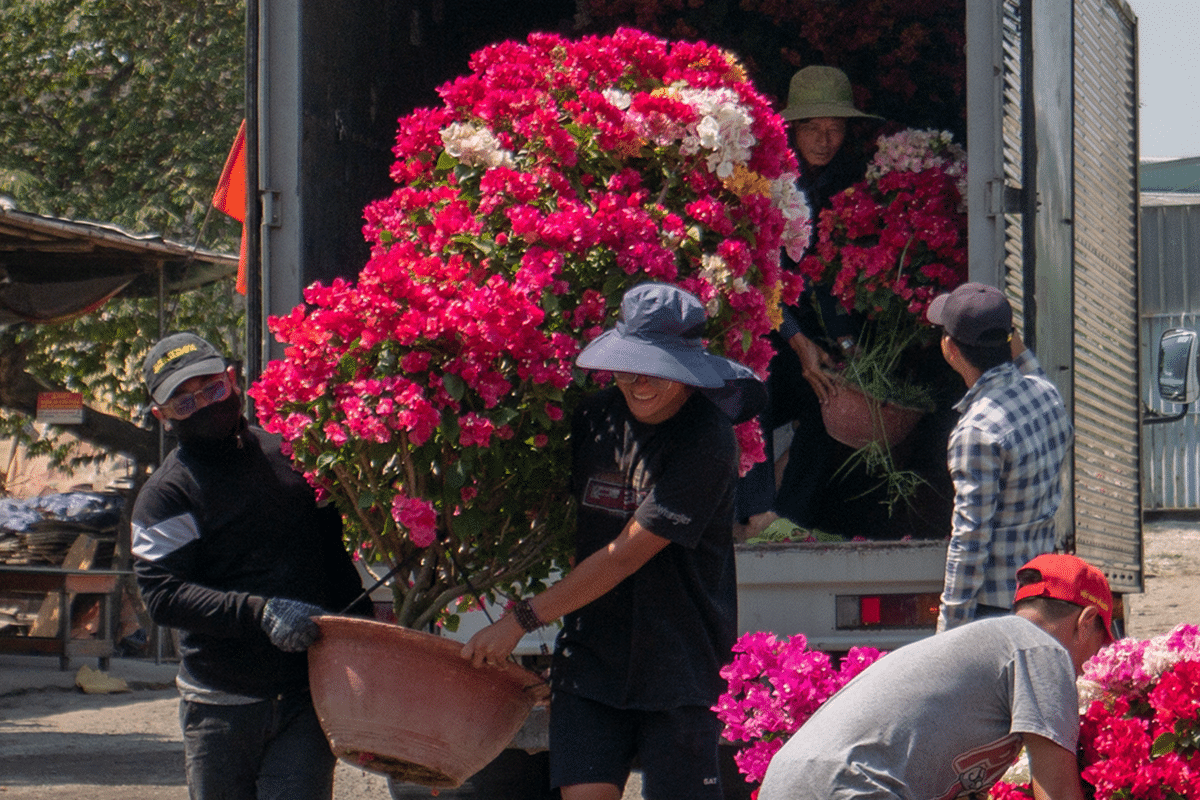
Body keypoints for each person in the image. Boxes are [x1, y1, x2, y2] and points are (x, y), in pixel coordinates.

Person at [461, 282, 766, 800]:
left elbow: (624, 555)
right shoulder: (593, 417)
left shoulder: (708, 439)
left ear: (686, 370)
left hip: (679, 666)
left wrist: (519, 621)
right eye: (627, 367)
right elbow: (570, 520)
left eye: (655, 369)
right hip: (591, 661)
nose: (638, 382)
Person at [130, 332, 371, 800]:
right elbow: (164, 596)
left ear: (233, 380)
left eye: (212, 389)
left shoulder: (294, 460)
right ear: (161, 416)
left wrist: (363, 640)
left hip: (305, 699)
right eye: (184, 402)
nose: (204, 405)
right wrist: (262, 613)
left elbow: (335, 562)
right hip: (220, 708)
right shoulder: (166, 496)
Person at [758, 552, 1115, 800]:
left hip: (788, 780)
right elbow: (1058, 792)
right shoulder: (1041, 650)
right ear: (1086, 622)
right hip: (853, 784)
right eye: (1099, 646)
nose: (1090, 667)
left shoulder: (993, 645)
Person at [737, 65, 882, 537]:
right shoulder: (765, 182)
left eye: (835, 128)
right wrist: (798, 342)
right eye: (813, 128)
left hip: (818, 338)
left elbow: (836, 280)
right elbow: (758, 274)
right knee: (753, 383)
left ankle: (789, 520)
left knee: (836, 397)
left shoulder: (850, 186)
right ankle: (756, 513)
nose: (824, 140)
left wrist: (846, 345)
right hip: (771, 333)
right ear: (793, 130)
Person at [927, 282, 1073, 631]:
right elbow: (1029, 365)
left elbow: (971, 537)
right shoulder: (1045, 395)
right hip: (1042, 594)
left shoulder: (977, 431)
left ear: (950, 349)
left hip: (996, 609)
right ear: (1010, 337)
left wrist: (950, 629)